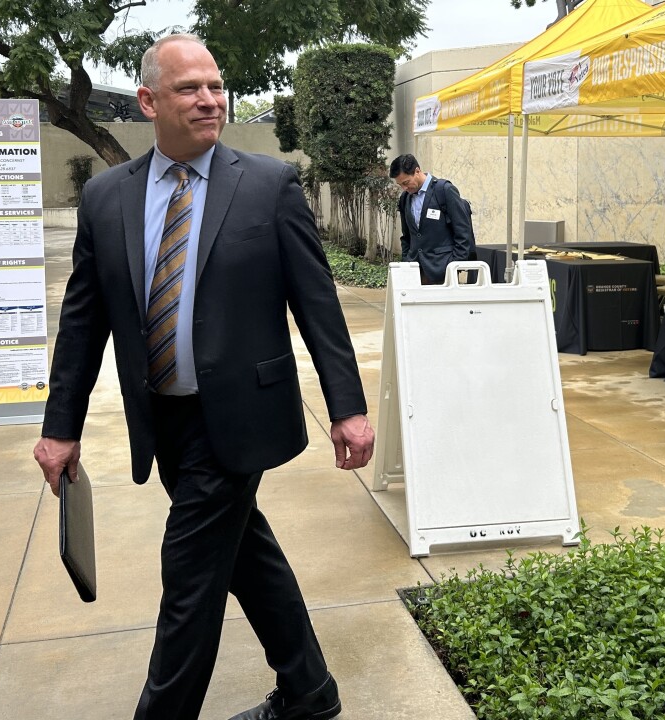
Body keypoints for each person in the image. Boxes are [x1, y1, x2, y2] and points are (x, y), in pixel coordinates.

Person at [32, 34, 374, 720]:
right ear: (149, 101)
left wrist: (348, 406)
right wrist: (59, 428)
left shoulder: (268, 184)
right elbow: (82, 323)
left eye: (216, 86)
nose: (210, 100)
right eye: (190, 88)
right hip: (164, 419)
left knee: (188, 579)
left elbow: (317, 304)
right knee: (246, 554)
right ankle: (310, 692)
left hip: (243, 412)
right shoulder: (107, 199)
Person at [389, 154, 474, 284]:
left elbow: (463, 231)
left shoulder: (444, 190)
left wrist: (455, 265)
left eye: (406, 182)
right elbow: (407, 236)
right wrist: (407, 261)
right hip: (415, 269)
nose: (404, 188)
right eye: (400, 185)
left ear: (417, 171)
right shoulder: (405, 198)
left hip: (443, 269)